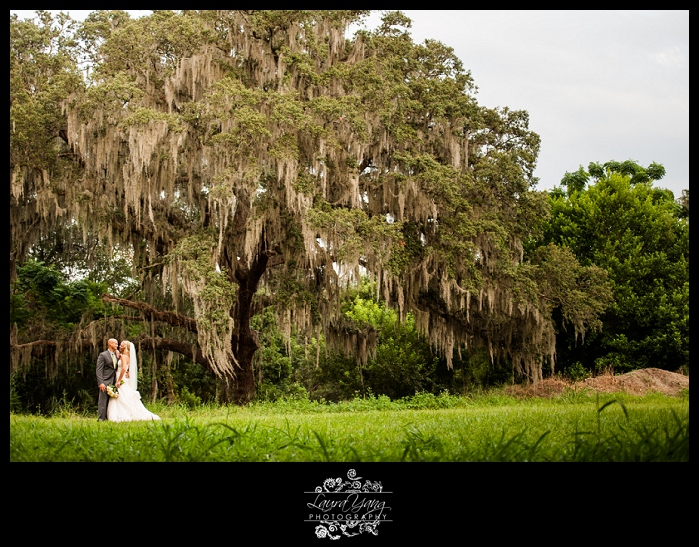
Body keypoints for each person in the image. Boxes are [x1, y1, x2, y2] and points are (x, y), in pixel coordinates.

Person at [107, 340, 161, 422]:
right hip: (124, 378)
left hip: (121, 378)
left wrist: (119, 380)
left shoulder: (124, 357)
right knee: (123, 395)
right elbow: (129, 368)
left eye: (121, 345)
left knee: (122, 395)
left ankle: (122, 414)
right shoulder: (127, 356)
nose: (119, 346)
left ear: (125, 347)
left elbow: (124, 368)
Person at [96, 338, 120, 421]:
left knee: (112, 401)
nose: (117, 345)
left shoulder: (117, 355)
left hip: (114, 380)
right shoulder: (103, 355)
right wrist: (101, 383)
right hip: (105, 380)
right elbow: (99, 370)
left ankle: (109, 417)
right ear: (110, 344)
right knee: (103, 400)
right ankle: (101, 419)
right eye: (115, 344)